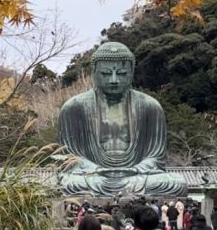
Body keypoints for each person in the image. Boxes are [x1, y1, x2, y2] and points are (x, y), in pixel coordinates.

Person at [58, 42, 188, 196]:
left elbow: (156, 158)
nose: (114, 80)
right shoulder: (74, 107)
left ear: (132, 72)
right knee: (66, 183)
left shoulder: (150, 106)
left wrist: (136, 169)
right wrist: (96, 170)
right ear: (94, 72)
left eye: (121, 73)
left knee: (175, 184)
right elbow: (70, 158)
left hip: (136, 176)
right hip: (94, 177)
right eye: (106, 74)